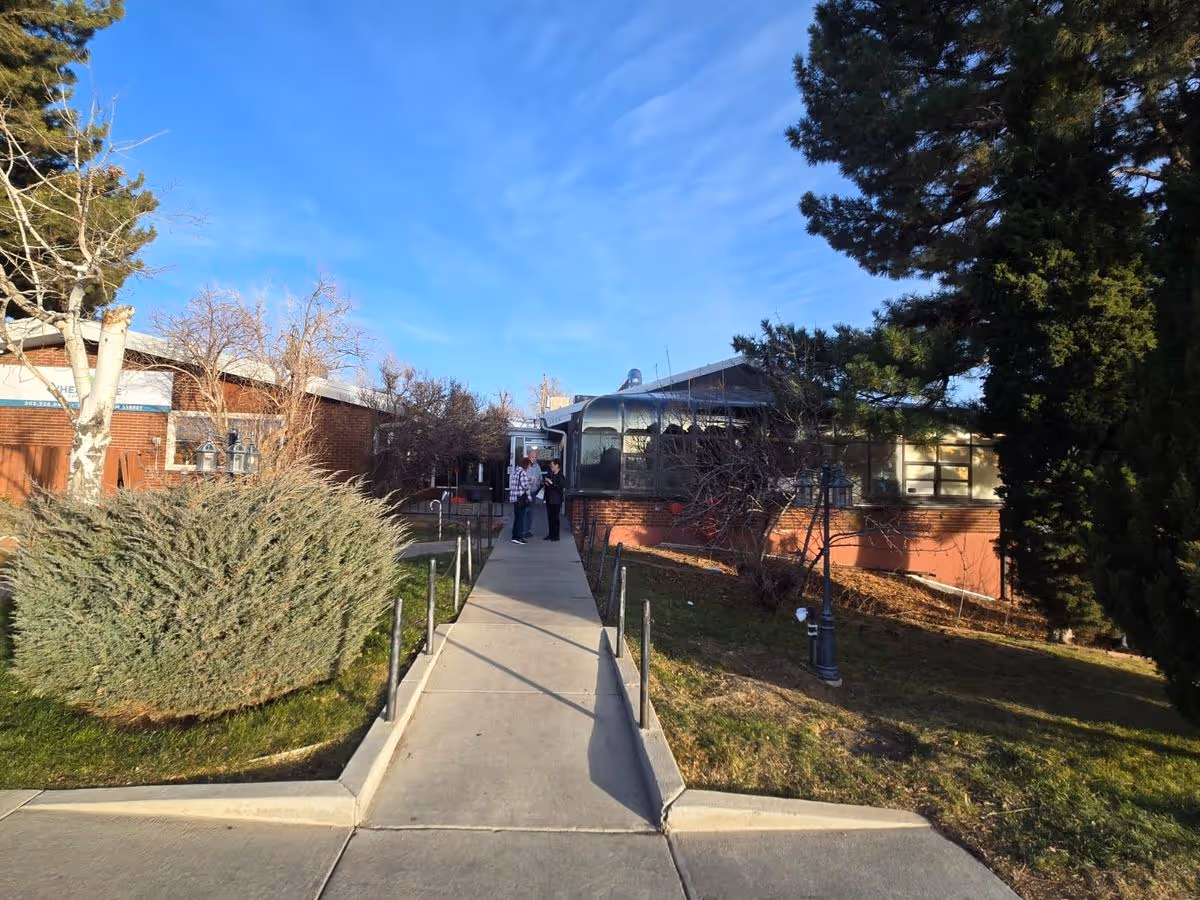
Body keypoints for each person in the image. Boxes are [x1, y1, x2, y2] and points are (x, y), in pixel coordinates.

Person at [508, 457, 532, 545]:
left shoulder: (516, 472)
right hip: (521, 499)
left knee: (517, 518)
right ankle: (519, 537)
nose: (529, 466)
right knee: (521, 519)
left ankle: (514, 537)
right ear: (525, 464)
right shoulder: (522, 473)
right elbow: (525, 486)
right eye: (529, 464)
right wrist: (530, 482)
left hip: (515, 498)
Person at [541, 459, 566, 541]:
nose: (551, 467)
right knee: (549, 517)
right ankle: (550, 534)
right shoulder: (550, 474)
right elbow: (546, 484)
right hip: (549, 499)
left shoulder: (560, 476)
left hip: (556, 500)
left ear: (557, 466)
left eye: (552, 466)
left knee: (555, 518)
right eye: (550, 466)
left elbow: (560, 488)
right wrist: (545, 483)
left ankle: (556, 536)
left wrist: (551, 483)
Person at [524, 448, 544, 539]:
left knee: (531, 512)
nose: (534, 459)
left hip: (533, 493)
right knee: (524, 511)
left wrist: (540, 483)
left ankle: (528, 530)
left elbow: (540, 477)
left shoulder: (537, 466)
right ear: (528, 456)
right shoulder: (524, 465)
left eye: (535, 457)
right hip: (524, 493)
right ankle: (522, 530)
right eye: (532, 457)